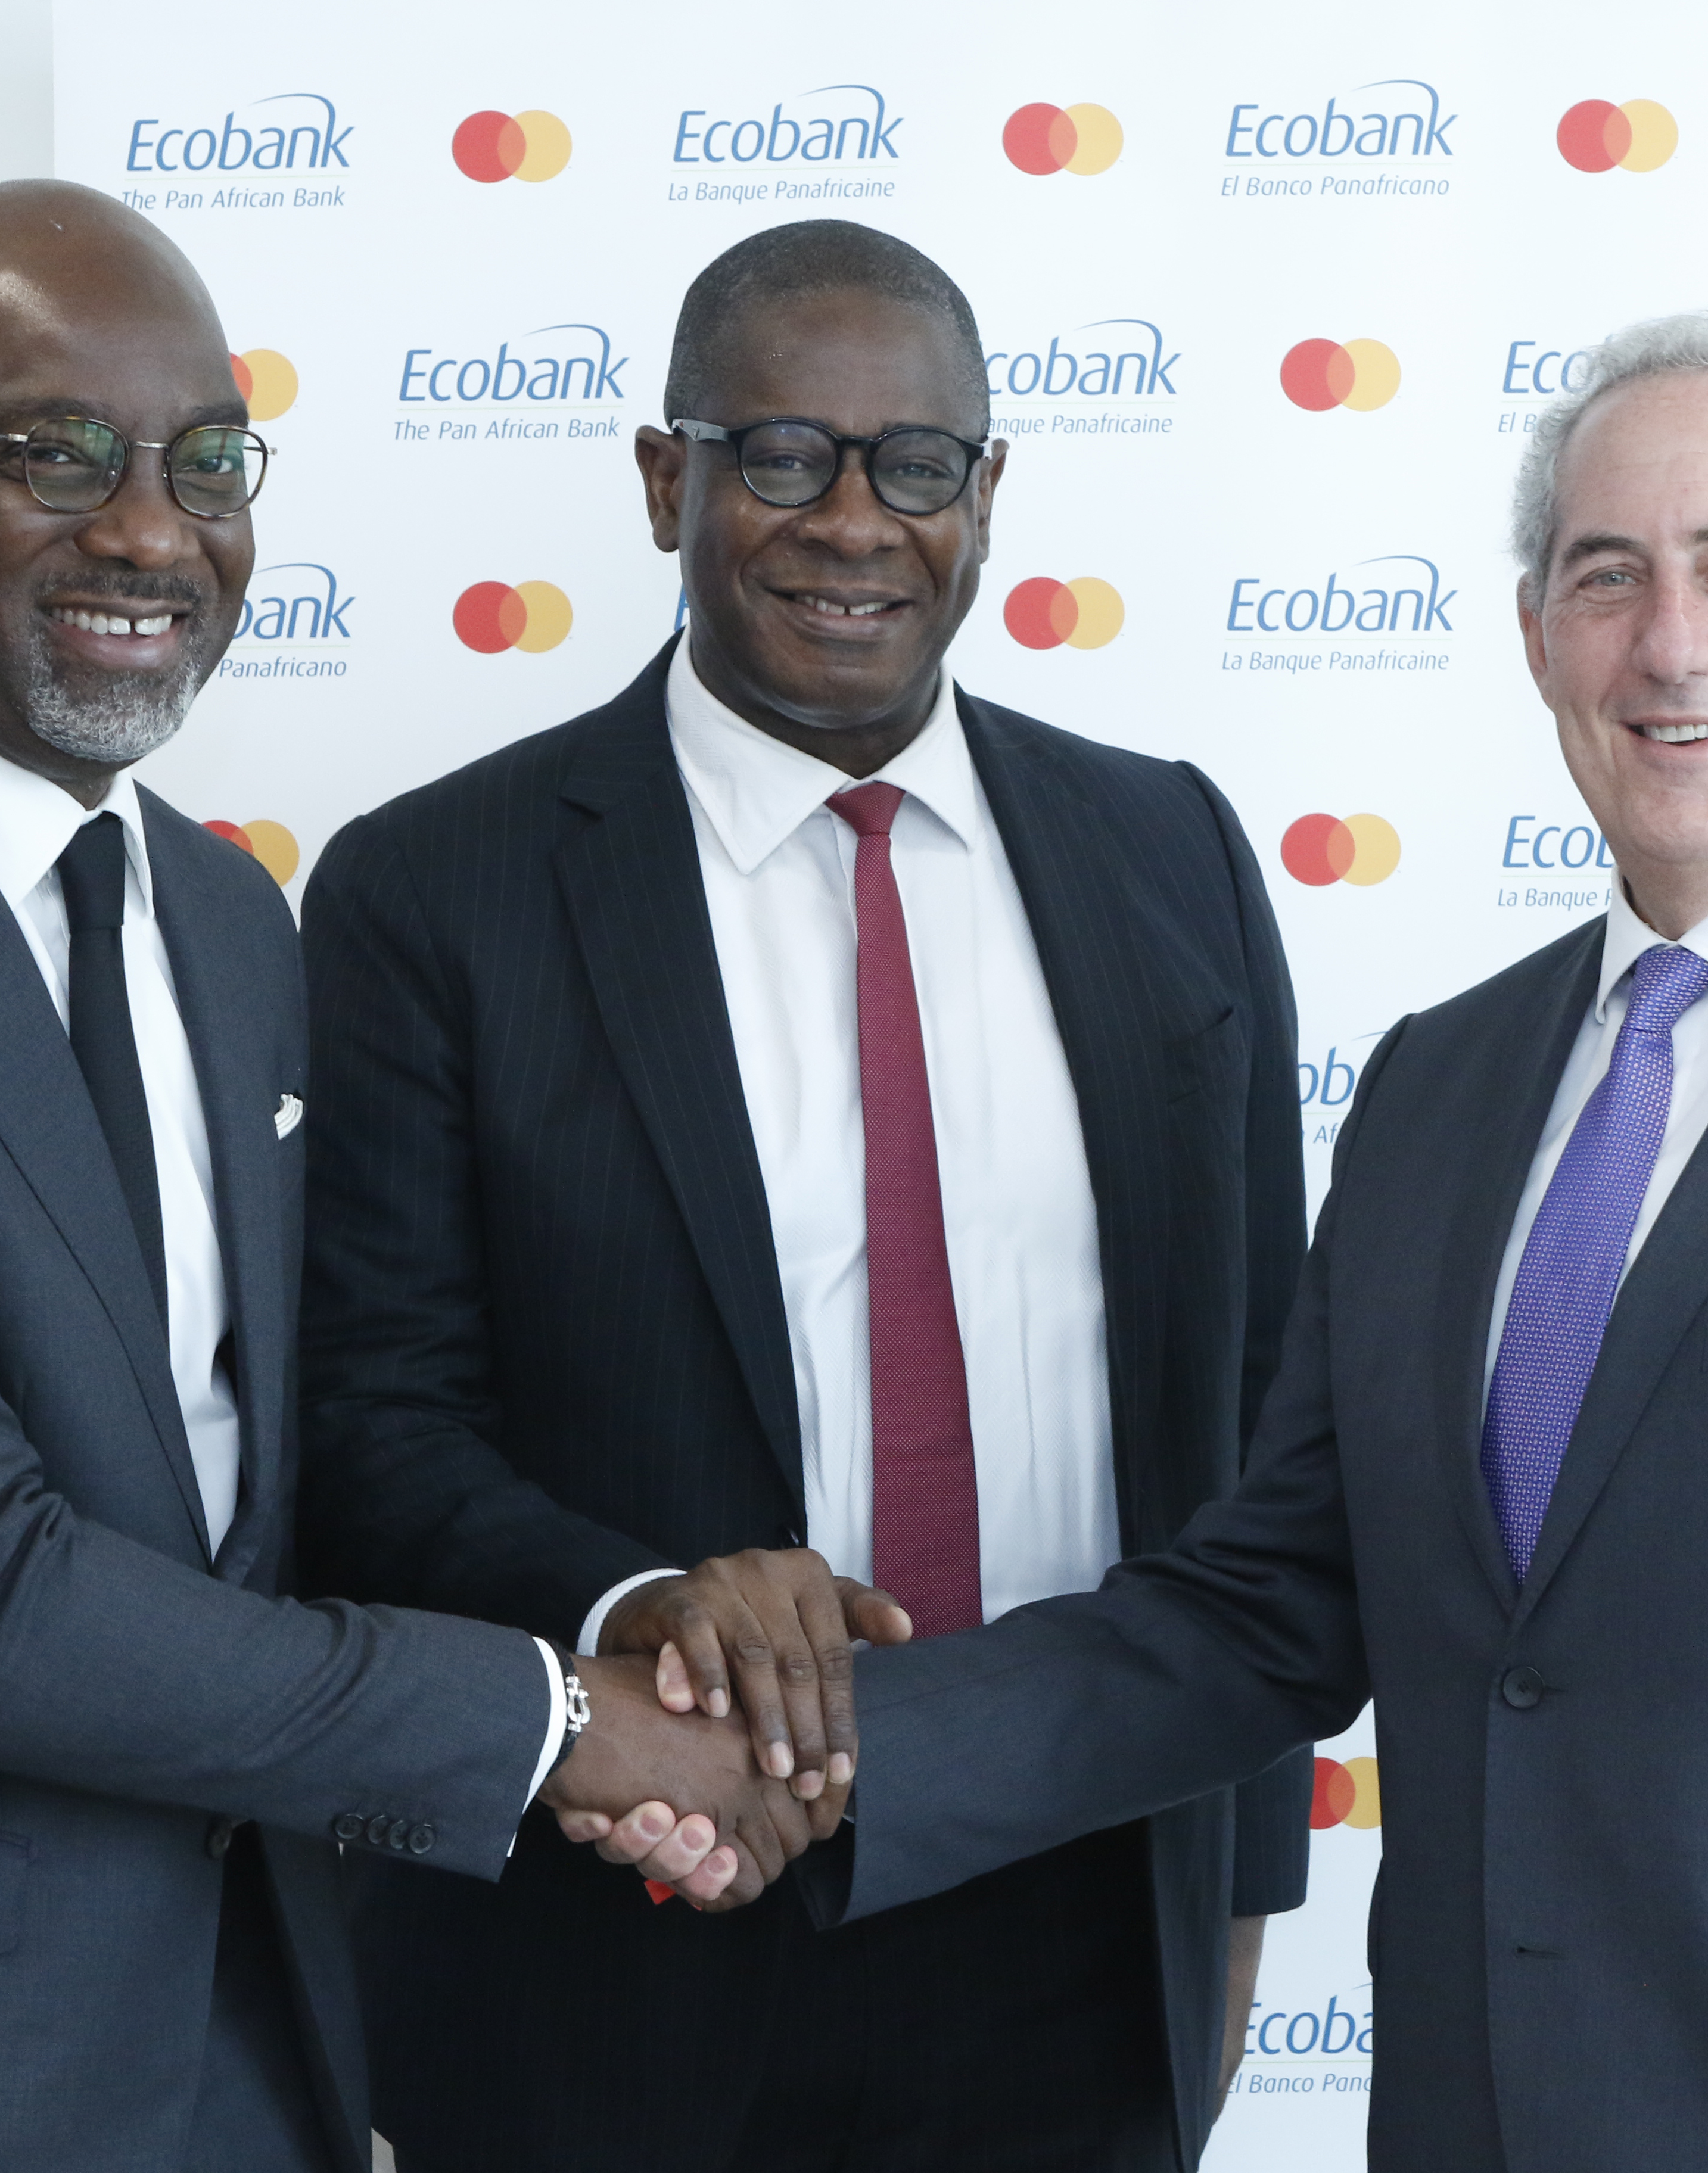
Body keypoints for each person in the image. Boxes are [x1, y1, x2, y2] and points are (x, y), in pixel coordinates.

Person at [755, 313, 1708, 2170]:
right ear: (1535, 637)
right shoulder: (1440, 1089)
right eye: (1607, 577)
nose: (1672, 643)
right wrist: (823, 1755)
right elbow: (1267, 1608)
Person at [0, 179, 786, 2173]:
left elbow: (265, 1485)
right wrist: (551, 1727)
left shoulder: (219, 917)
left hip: (239, 2049)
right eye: (57, 453)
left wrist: (624, 1608)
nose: (151, 532)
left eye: (207, 461)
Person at [299, 219, 1312, 2172]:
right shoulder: (438, 891)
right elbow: (368, 1431)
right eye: (783, 457)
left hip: (1088, 1925)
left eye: (915, 462)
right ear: (667, 481)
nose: (854, 520)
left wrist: (1241, 1892)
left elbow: (1258, 1434)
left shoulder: (1169, 851)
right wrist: (640, 1600)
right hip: (617, 1938)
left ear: (989, 494)